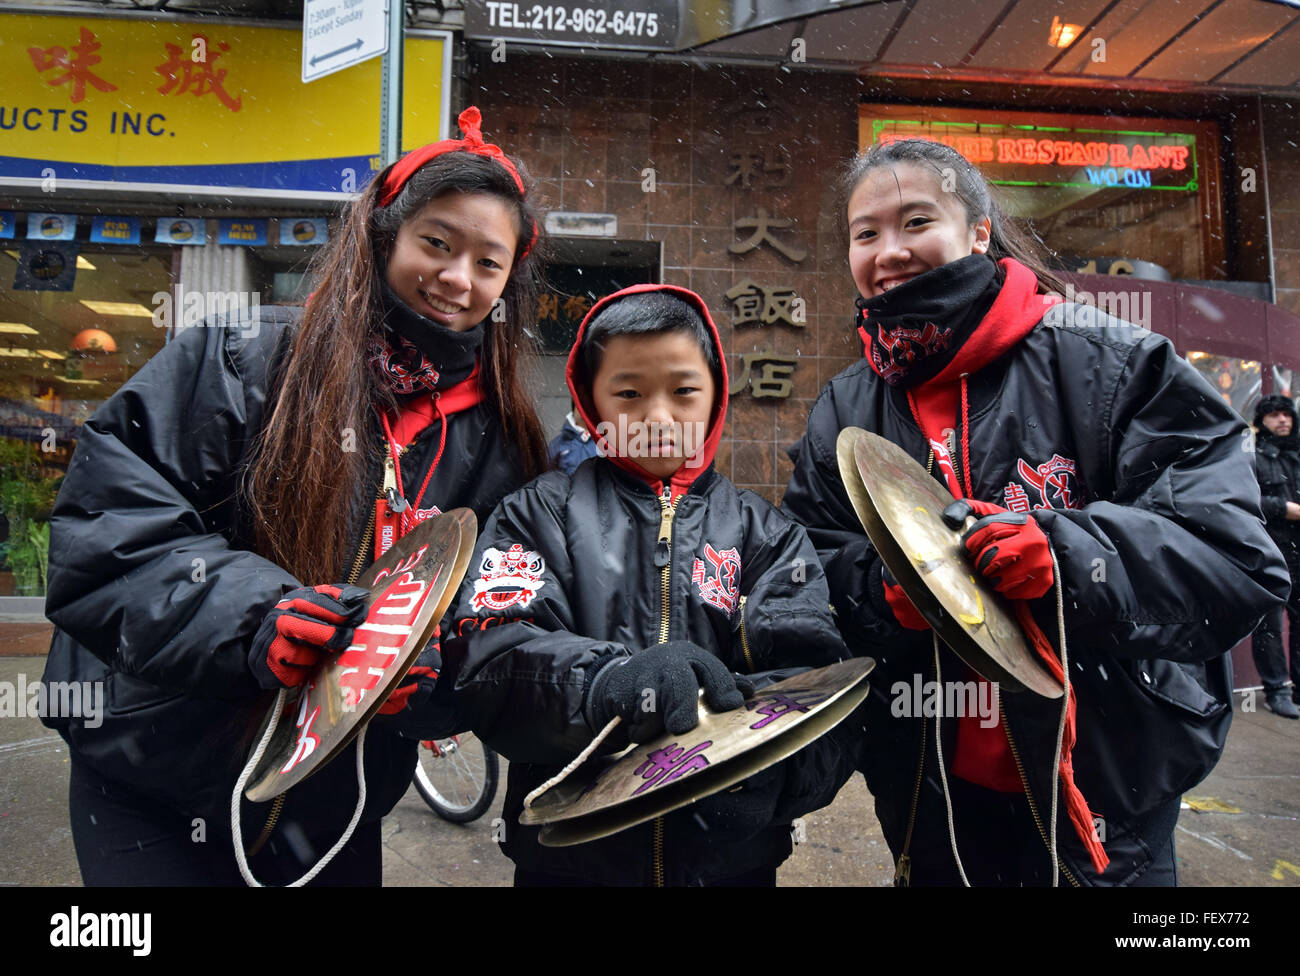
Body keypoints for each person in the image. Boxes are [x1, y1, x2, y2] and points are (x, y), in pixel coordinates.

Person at [39, 107, 549, 886]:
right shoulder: (243, 357)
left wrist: (430, 681)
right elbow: (110, 528)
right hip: (155, 777)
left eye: (490, 262)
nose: (457, 278)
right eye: (437, 243)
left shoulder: (503, 439)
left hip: (335, 801)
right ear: (385, 239)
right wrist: (255, 618)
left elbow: (502, 614)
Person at [781, 138, 1289, 887]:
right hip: (930, 790)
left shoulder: (1114, 363)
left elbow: (1235, 557)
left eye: (917, 220)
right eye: (866, 233)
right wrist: (885, 588)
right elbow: (804, 570)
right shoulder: (845, 407)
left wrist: (1064, 557)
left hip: (1104, 786)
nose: (890, 251)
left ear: (979, 231)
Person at [436, 284, 861, 886]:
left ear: (715, 396)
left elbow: (816, 683)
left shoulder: (766, 534)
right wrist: (608, 684)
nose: (658, 418)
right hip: (570, 860)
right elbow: (489, 658)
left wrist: (764, 778)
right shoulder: (536, 516)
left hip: (730, 865)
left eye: (684, 390)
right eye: (629, 393)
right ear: (590, 404)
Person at [1251, 394, 1300, 719]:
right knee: (1267, 626)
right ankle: (1276, 690)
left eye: (1286, 414)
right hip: (1267, 550)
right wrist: (1282, 508)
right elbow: (1242, 499)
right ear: (1263, 419)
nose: (1282, 420)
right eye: (1274, 415)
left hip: (1298, 552)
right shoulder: (1250, 456)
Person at [547, 400, 600, 475]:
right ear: (574, 407)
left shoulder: (607, 443)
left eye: (589, 406)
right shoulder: (557, 443)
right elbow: (546, 477)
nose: (584, 409)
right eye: (581, 405)